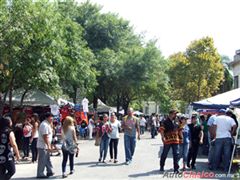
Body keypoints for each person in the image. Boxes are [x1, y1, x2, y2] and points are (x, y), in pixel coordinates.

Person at [36, 112, 55, 178]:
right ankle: (40, 173)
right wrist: (48, 145)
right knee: (42, 160)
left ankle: (50, 171)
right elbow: (45, 136)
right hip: (43, 145)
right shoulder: (44, 125)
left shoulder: (48, 124)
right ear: (47, 117)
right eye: (51, 117)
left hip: (46, 145)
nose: (52, 119)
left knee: (47, 159)